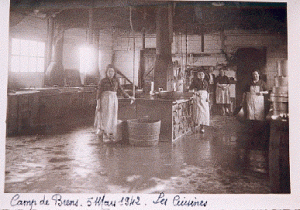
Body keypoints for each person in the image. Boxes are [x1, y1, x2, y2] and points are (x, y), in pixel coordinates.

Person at [94, 64, 134, 142]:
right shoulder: (103, 81)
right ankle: (102, 133)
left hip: (113, 100)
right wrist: (98, 104)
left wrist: (129, 97)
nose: (111, 73)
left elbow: (121, 90)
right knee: (105, 116)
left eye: (112, 71)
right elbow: (98, 93)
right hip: (105, 100)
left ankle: (110, 133)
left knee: (112, 116)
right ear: (106, 72)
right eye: (109, 71)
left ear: (114, 72)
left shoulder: (116, 81)